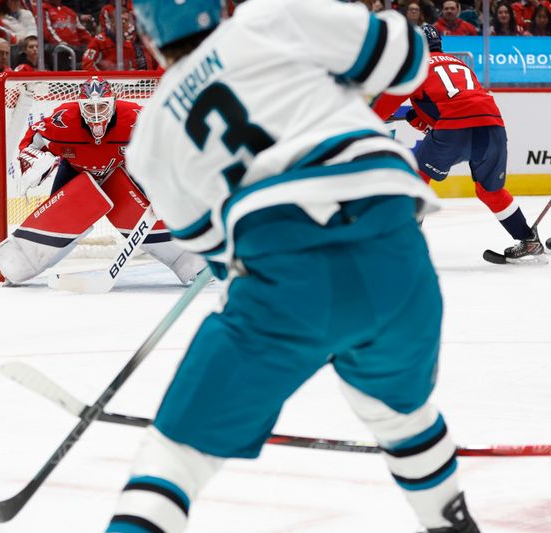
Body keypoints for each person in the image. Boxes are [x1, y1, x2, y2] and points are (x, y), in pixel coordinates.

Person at [106, 1, 481, 533]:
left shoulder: (149, 138)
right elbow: (408, 59)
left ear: (147, 37)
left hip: (282, 274)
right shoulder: (268, 19)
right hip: (394, 244)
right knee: (401, 416)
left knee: (174, 458)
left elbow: (213, 249)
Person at [0, 75, 206, 287]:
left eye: (101, 107)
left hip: (120, 171)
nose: (95, 114)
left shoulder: (135, 118)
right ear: (80, 106)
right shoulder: (62, 121)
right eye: (89, 108)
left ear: (112, 104)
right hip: (75, 172)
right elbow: (33, 140)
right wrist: (31, 160)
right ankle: (17, 266)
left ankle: (191, 263)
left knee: (146, 217)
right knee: (58, 220)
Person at [373, 25, 544, 263]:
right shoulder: (459, 63)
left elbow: (381, 109)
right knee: (489, 191)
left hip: (454, 127)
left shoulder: (415, 67)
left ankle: (406, 245)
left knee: (417, 180)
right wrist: (418, 116)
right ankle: (528, 239)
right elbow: (452, 100)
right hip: (492, 123)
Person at [82, 9, 155, 71]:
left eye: (125, 20)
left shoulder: (131, 42)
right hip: (103, 84)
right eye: (120, 19)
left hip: (125, 83)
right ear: (112, 22)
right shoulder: (98, 41)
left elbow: (136, 66)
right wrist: (101, 79)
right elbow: (87, 64)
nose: (123, 22)